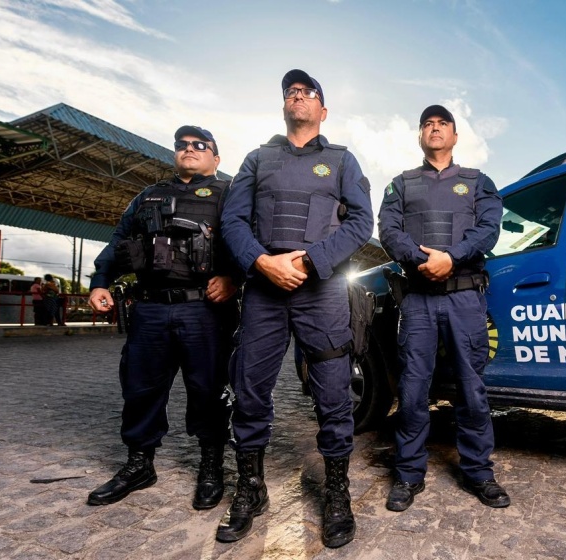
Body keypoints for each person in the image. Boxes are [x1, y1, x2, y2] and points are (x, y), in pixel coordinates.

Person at [218, 69, 373, 548]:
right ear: (283, 106)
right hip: (265, 289)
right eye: (291, 91)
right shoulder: (257, 158)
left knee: (332, 391)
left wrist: (310, 259)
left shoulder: (342, 160)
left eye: (308, 92)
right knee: (250, 388)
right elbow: (232, 219)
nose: (297, 96)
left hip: (320, 289)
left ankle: (337, 492)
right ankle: (251, 486)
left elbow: (362, 222)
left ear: (322, 111)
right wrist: (262, 262)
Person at [85, 126, 239, 511]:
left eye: (200, 145)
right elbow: (118, 241)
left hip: (203, 308)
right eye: (182, 145)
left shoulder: (232, 194)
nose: (190, 149)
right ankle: (140, 464)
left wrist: (235, 278)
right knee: (141, 388)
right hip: (150, 308)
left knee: (208, 388)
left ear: (215, 158)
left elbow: (248, 242)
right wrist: (100, 282)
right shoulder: (147, 196)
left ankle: (211, 463)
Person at [378, 105, 510, 512]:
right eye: (427, 124)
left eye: (442, 124)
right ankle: (408, 474)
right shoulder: (401, 184)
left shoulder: (477, 182)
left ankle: (478, 472)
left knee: (472, 389)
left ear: (454, 136)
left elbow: (488, 230)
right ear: (420, 136)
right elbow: (388, 230)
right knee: (413, 389)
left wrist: (451, 257)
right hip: (418, 299)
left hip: (465, 297)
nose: (434, 128)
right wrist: (420, 262)